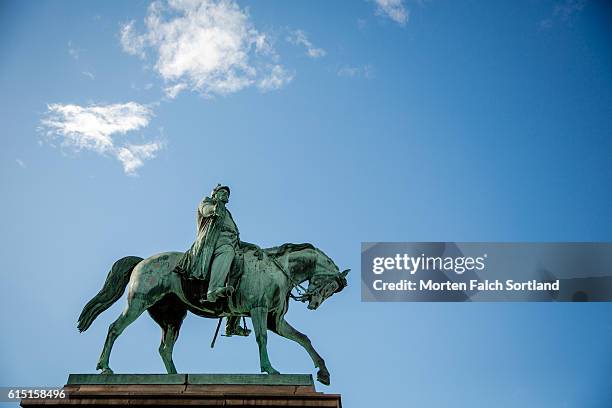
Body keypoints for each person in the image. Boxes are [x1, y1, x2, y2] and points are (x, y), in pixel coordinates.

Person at [175, 184, 250, 336]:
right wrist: (217, 205)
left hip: (232, 243)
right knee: (227, 251)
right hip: (214, 243)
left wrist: (254, 248)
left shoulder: (228, 213)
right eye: (222, 192)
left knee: (245, 271)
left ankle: (232, 324)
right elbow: (207, 211)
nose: (225, 195)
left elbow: (235, 235)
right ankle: (213, 289)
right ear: (215, 194)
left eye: (227, 194)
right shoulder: (208, 202)